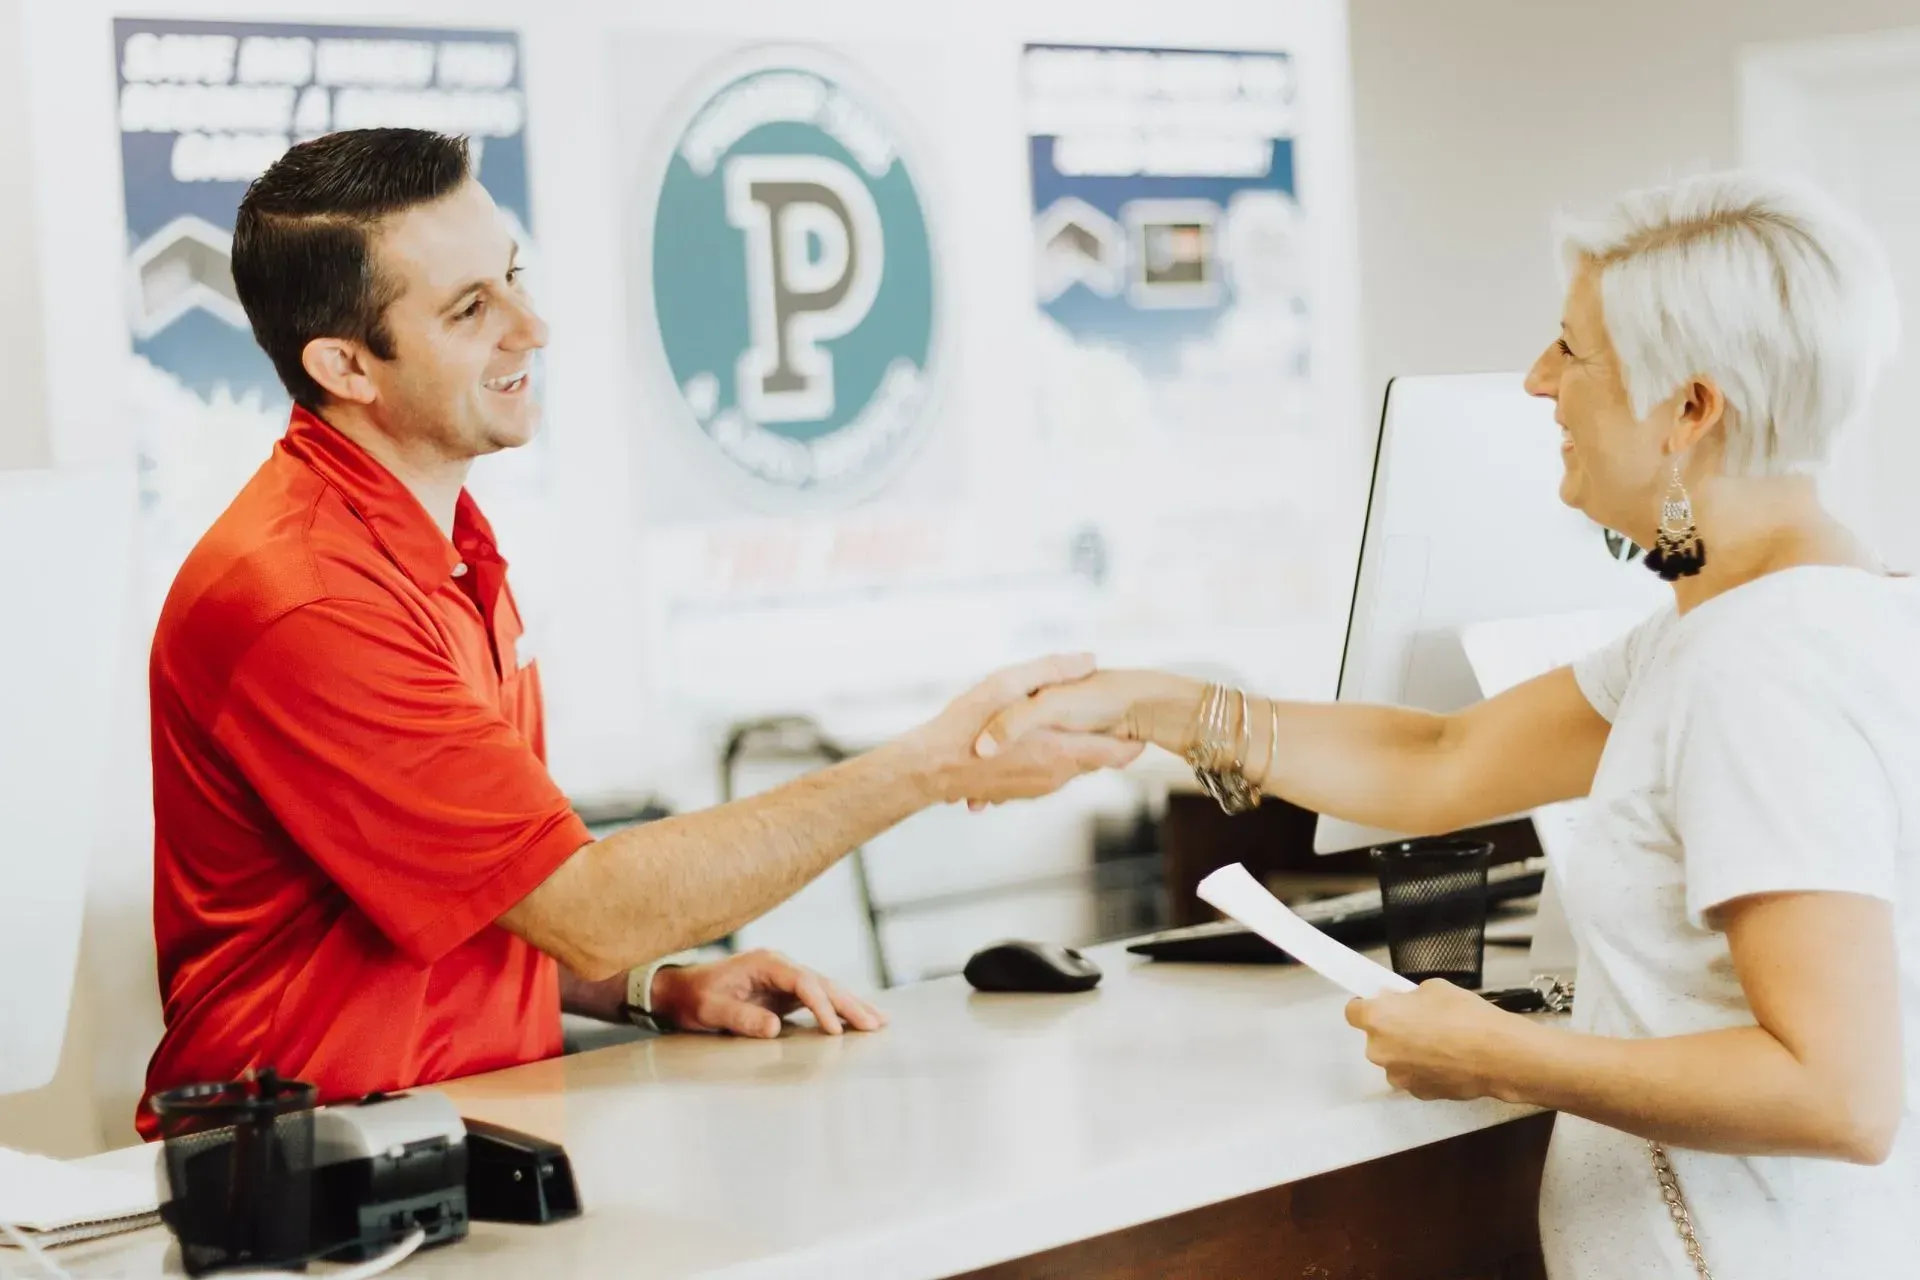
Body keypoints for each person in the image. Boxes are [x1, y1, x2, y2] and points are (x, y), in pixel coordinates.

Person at [982, 171, 1918, 1276]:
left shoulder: (1757, 667)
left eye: (1571, 350)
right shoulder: (1784, 616)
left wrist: (1501, 1053)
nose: (1537, 380)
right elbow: (1442, 759)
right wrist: (1153, 704)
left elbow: (1837, 1090)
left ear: (1690, 410)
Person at [140, 128, 1139, 1137]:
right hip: (300, 1172)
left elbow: (480, 892)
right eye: (471, 308)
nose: (531, 327)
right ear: (346, 364)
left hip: (449, 1132)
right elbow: (588, 907)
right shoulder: (309, 599)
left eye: (513, 277)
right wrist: (927, 767)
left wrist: (648, 984)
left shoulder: (443, 544)